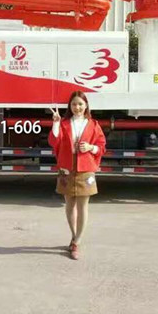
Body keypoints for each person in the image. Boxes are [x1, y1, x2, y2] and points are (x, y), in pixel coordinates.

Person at [49, 91, 106, 260]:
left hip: (85, 168)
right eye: (74, 104)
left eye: (80, 104)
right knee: (69, 205)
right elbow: (54, 141)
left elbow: (102, 146)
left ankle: (77, 241)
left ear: (86, 105)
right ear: (70, 106)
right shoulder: (64, 124)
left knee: (82, 207)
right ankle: (74, 236)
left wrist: (90, 147)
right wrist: (56, 123)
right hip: (67, 168)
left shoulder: (93, 125)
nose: (77, 107)